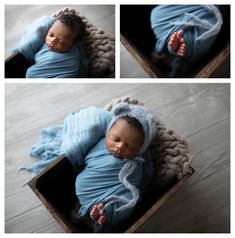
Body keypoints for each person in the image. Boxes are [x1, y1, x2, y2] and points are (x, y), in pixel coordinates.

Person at [22, 103, 157, 232]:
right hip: (85, 193)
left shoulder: (135, 165)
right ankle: (88, 212)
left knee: (127, 201)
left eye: (130, 146)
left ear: (140, 149)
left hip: (112, 195)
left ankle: (102, 216)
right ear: (108, 133)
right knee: (82, 202)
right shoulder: (99, 145)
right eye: (116, 139)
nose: (120, 146)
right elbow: (85, 159)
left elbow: (137, 184)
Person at [150, 5, 223, 77]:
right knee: (198, 43)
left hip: (167, 21)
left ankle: (174, 47)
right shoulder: (181, 63)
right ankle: (177, 47)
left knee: (156, 15)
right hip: (205, 24)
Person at [15, 13, 88, 78]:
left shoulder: (61, 59)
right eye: (51, 35)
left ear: (73, 44)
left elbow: (31, 75)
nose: (52, 41)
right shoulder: (49, 42)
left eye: (61, 41)